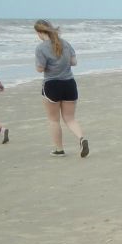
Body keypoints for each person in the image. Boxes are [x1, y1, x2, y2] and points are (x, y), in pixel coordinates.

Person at [34, 20, 89, 158]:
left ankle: (59, 149)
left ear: (40, 32)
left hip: (52, 85)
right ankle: (82, 138)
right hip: (69, 84)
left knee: (54, 120)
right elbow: (74, 62)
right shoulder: (65, 43)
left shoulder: (41, 48)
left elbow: (40, 69)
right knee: (70, 118)